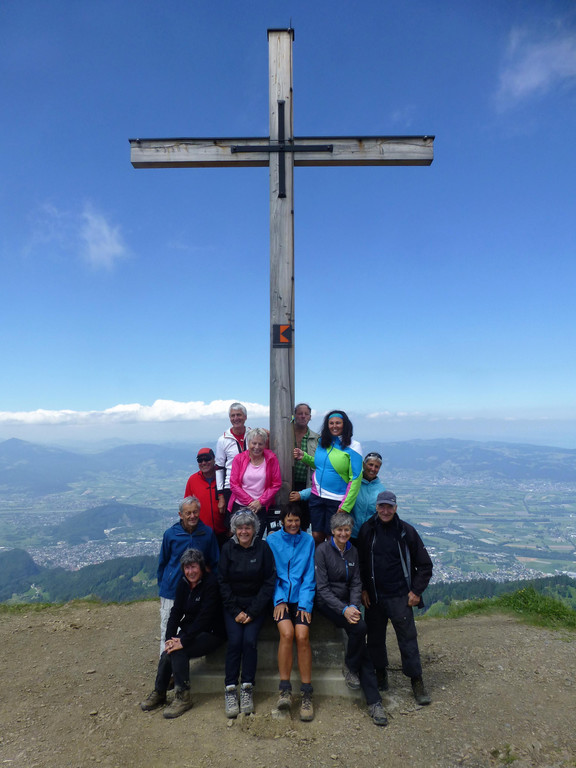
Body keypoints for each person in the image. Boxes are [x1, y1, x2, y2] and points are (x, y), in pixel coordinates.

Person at [358, 490, 433, 705]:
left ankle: (416, 681)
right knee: (374, 639)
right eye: (382, 506)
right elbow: (361, 563)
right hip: (374, 597)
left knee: (408, 639)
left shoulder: (406, 531)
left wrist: (416, 591)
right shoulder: (367, 530)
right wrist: (363, 589)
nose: (385, 511)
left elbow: (425, 565)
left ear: (396, 508)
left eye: (389, 507)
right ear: (376, 507)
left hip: (400, 595)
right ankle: (380, 675)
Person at [315, 512, 388, 726]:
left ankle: (355, 672)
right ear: (332, 531)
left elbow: (356, 583)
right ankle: (374, 702)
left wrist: (354, 606)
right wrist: (344, 609)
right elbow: (322, 589)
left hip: (348, 603)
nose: (343, 533)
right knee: (360, 630)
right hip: (327, 603)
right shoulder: (322, 551)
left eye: (347, 529)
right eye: (339, 530)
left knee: (360, 635)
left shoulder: (353, 551)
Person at [141, 549, 225, 719]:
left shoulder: (211, 584)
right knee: (168, 651)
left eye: (193, 567)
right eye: (187, 568)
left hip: (212, 632)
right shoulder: (183, 584)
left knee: (179, 650)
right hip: (192, 630)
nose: (190, 571)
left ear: (201, 567)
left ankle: (183, 697)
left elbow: (205, 618)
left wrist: (183, 640)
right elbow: (176, 612)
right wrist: (169, 639)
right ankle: (160, 691)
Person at [218, 510, 276, 717]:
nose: (244, 531)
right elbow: (222, 581)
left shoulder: (263, 548)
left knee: (249, 641)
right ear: (235, 529)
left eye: (248, 527)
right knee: (235, 642)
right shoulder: (227, 549)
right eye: (240, 527)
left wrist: (252, 611)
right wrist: (236, 611)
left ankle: (247, 687)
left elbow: (269, 581)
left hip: (255, 606)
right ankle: (230, 688)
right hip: (233, 606)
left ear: (254, 529)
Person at [266, 503, 316, 722]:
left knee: (302, 635)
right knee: (287, 633)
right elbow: (271, 574)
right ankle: (285, 689)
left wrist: (305, 605)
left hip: (302, 597)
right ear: (282, 521)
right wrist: (278, 600)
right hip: (281, 598)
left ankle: (306, 693)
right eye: (289, 520)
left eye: (296, 520)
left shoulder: (308, 541)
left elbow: (309, 577)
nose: (293, 524)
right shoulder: (272, 541)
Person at [156, 496, 220, 655]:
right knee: (167, 627)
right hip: (172, 589)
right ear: (180, 515)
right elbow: (163, 562)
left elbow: (215, 562)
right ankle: (165, 662)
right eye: (188, 513)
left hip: (197, 590)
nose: (192, 516)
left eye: (195, 512)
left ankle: (179, 662)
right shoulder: (170, 534)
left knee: (189, 629)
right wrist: (164, 584)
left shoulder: (207, 533)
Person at [293, 409, 363, 546]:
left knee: (333, 538)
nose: (334, 426)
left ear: (345, 425)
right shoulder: (322, 442)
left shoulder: (354, 447)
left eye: (338, 423)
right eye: (331, 423)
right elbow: (320, 465)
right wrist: (304, 457)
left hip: (337, 499)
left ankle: (332, 560)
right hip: (317, 497)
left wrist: (346, 506)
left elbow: (355, 478)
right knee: (316, 535)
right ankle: (318, 559)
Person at [228, 427, 282, 538]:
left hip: (261, 507)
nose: (257, 447)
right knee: (240, 538)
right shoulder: (239, 459)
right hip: (240, 505)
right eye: (254, 443)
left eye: (260, 444)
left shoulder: (271, 459)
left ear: (265, 444)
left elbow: (276, 483)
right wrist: (251, 502)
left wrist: (260, 502)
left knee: (256, 538)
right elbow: (234, 484)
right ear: (248, 443)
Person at [184, 447, 228, 548]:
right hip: (201, 534)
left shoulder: (224, 477)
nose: (203, 463)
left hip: (224, 533)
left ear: (214, 459)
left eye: (207, 459)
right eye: (200, 460)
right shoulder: (192, 480)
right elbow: (186, 506)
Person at [215, 402, 251, 516]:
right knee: (233, 522)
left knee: (252, 521)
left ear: (245, 417)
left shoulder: (253, 435)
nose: (236, 418)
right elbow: (219, 468)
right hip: (230, 487)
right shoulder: (223, 440)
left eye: (239, 415)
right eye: (232, 416)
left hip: (251, 486)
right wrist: (221, 496)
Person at [291, 402, 319, 531]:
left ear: (310, 417)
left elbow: (319, 463)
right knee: (287, 520)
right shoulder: (285, 435)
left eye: (306, 414)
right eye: (300, 413)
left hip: (307, 485)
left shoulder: (316, 439)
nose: (303, 416)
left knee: (303, 521)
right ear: (294, 415)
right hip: (286, 484)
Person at [351, 452, 385, 544]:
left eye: (376, 467)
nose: (373, 469)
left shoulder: (381, 490)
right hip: (349, 534)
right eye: (370, 464)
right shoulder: (353, 483)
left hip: (370, 537)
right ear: (363, 464)